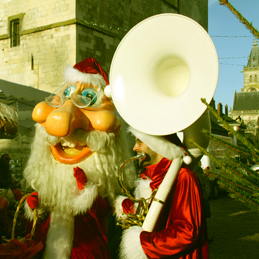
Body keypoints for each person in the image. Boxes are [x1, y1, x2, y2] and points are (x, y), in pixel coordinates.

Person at [22, 58, 135, 259]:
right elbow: (46, 211)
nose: (62, 125)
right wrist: (39, 205)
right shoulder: (53, 177)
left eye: (88, 97)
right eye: (66, 94)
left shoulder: (108, 182)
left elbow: (106, 209)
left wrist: (88, 192)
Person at [114, 127, 209, 259]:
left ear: (156, 144)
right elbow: (142, 210)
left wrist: (144, 244)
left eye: (140, 142)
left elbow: (187, 232)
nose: (135, 148)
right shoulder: (148, 177)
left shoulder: (183, 177)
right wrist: (116, 203)